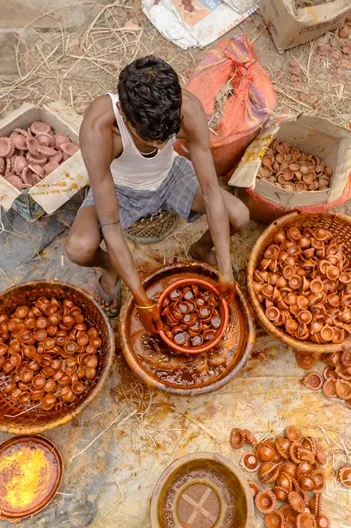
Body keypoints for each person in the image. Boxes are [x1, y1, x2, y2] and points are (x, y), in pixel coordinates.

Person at [64, 56, 249, 334]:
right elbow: (111, 224)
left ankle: (200, 249)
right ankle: (109, 267)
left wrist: (225, 266)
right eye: (152, 140)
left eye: (168, 137)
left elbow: (211, 191)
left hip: (171, 176)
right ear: (126, 117)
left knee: (239, 214)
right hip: (120, 190)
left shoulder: (187, 108)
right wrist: (142, 299)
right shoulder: (100, 129)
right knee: (78, 248)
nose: (163, 143)